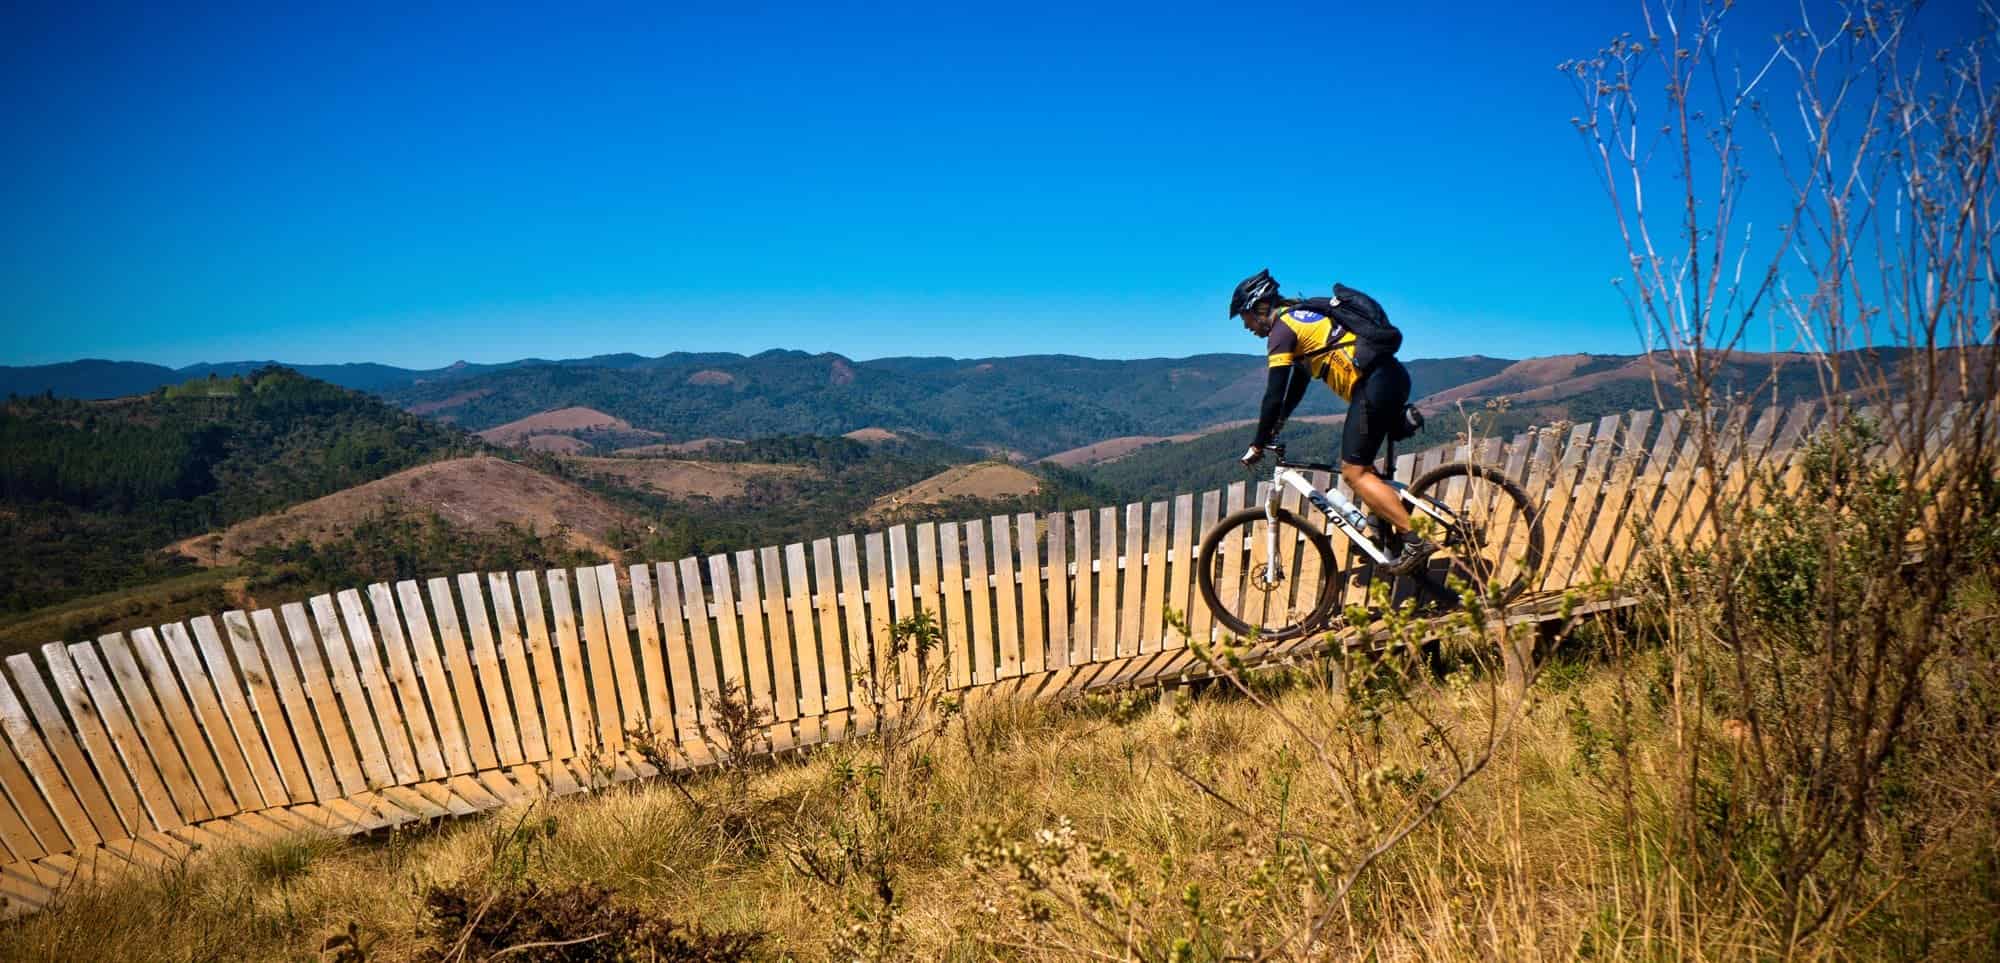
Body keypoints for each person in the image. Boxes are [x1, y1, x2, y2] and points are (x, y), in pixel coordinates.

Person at [1227, 268, 1436, 576]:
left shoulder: (1281, 330)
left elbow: (1273, 394)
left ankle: (1416, 541)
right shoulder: (1300, 318)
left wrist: (1258, 443)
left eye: (1244, 316)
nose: (1245, 326)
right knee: (1366, 467)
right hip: (1389, 377)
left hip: (1373, 385)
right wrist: (1278, 424)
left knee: (1354, 472)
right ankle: (1379, 531)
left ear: (1260, 307)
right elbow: (1296, 385)